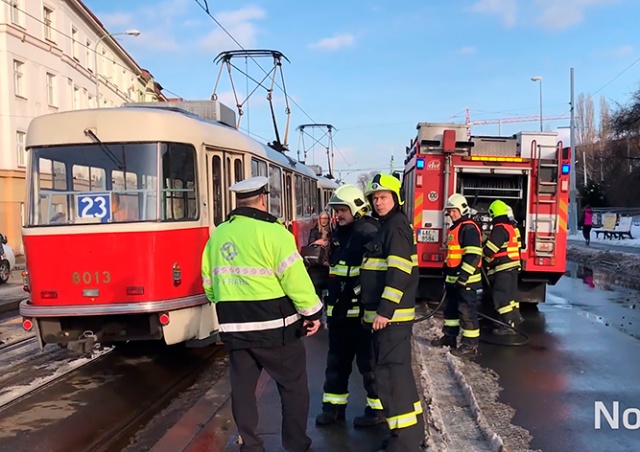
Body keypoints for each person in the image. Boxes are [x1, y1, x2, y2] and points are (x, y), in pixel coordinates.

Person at [201, 176, 323, 452]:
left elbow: (209, 283)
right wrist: (313, 312)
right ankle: (295, 444)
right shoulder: (274, 232)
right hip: (275, 328)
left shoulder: (218, 234)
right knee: (293, 387)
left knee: (243, 390)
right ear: (263, 199)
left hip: (234, 327)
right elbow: (295, 280)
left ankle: (251, 445)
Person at [361, 174, 424, 452]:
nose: (378, 202)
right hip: (389, 319)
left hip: (391, 320)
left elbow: (399, 272)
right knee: (397, 375)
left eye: (384, 197)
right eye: (375, 198)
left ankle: (404, 443)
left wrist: (384, 311)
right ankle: (408, 434)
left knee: (391, 378)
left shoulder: (395, 227)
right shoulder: (389, 226)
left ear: (396, 198)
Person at [315, 184, 384, 428]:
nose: (338, 215)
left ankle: (377, 411)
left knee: (369, 365)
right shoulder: (339, 233)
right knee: (336, 363)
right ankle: (333, 408)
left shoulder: (369, 232)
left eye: (342, 209)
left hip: (361, 316)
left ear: (356, 207)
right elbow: (336, 270)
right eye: (336, 210)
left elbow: (374, 274)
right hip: (339, 313)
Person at [431, 193, 483, 359]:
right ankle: (450, 337)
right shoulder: (456, 227)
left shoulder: (469, 228)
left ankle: (470, 345)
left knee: (466, 311)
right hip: (454, 280)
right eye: (449, 211)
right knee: (451, 310)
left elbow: (473, 255)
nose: (451, 214)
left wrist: (464, 276)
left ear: (462, 209)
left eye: (453, 211)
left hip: (466, 280)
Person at [482, 200, 523, 335]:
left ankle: (506, 326)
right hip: (512, 267)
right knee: (510, 297)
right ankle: (514, 320)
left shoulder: (499, 228)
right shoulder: (510, 227)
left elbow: (490, 250)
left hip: (503, 268)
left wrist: (481, 253)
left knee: (501, 296)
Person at [306, 212, 331, 299]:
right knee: (317, 289)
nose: (324, 221)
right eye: (322, 218)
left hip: (327, 263)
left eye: (326, 219)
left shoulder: (332, 230)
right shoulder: (314, 231)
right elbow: (310, 244)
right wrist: (319, 242)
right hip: (317, 264)